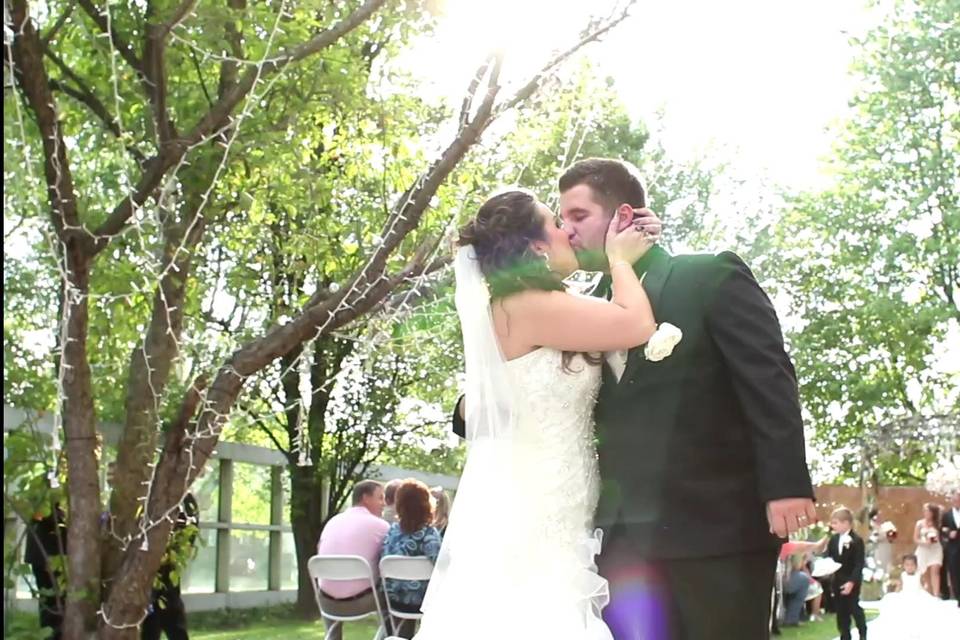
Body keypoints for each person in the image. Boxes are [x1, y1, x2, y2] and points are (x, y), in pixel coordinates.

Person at [559, 158, 817, 640]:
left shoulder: (707, 276)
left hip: (716, 532)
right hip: (620, 545)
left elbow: (769, 379)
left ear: (625, 217)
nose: (566, 230)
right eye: (561, 220)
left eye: (578, 216)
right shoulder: (579, 313)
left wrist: (785, 482)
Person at [421, 186, 663, 640]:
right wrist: (622, 261)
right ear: (536, 245)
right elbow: (636, 326)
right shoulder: (524, 306)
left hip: (560, 503)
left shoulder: (532, 304)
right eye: (556, 222)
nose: (566, 232)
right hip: (535, 509)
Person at [315, 480, 390, 640]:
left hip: (327, 602)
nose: (384, 503)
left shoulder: (332, 522)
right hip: (362, 602)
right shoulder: (381, 526)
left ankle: (332, 636)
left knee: (331, 583)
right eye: (380, 498)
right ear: (365, 498)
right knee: (396, 598)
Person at [382, 479, 442, 639]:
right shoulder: (429, 535)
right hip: (422, 604)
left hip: (393, 602)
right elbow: (440, 567)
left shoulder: (392, 532)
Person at [142, 493, 199, 640]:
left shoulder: (185, 502)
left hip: (165, 578)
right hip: (150, 580)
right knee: (153, 625)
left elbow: (187, 538)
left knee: (170, 621)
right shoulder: (146, 496)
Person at [869, 554, 959, 639]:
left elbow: (924, 585)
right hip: (905, 596)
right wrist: (896, 593)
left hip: (918, 595)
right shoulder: (903, 575)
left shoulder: (919, 574)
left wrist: (927, 591)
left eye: (912, 565)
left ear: (916, 565)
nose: (909, 567)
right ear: (904, 566)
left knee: (920, 611)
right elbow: (900, 586)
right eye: (907, 565)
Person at [23, 503, 68, 640]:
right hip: (47, 554)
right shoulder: (46, 497)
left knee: (52, 599)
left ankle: (52, 633)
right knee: (53, 599)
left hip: (45, 553)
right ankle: (53, 635)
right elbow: (44, 516)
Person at [828, 507, 868, 640]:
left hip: (851, 579)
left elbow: (859, 563)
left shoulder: (856, 540)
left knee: (854, 608)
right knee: (841, 611)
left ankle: (862, 633)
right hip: (837, 580)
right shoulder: (833, 539)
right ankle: (844, 636)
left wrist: (851, 582)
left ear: (846, 523)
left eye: (835, 523)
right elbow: (830, 557)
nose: (833, 526)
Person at [914, 502, 943, 596]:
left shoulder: (938, 523)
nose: (925, 512)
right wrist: (924, 542)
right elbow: (915, 538)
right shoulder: (919, 523)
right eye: (924, 510)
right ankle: (929, 594)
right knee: (925, 573)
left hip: (935, 549)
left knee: (935, 570)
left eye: (927, 510)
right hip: (923, 550)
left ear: (932, 512)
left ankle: (936, 595)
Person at [941, 490, 960, 605]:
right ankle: (958, 597)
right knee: (954, 572)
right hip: (953, 548)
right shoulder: (946, 515)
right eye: (955, 500)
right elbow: (942, 529)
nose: (957, 502)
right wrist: (948, 534)